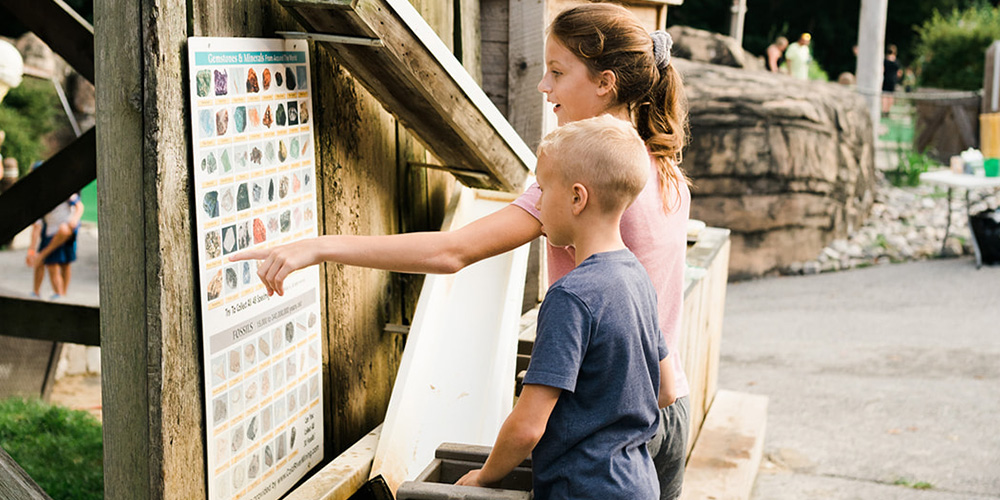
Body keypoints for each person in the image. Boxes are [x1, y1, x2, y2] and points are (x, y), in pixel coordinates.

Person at [233, 4, 693, 497]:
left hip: (605, 431)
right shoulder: (661, 169)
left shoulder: (579, 183)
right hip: (666, 410)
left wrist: (320, 246)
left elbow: (451, 251)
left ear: (604, 83)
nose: (544, 87)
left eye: (557, 72)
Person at [454, 115, 677, 497]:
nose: (537, 202)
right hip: (638, 484)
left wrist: (484, 477)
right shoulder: (637, 278)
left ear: (577, 197)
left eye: (542, 189)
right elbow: (667, 390)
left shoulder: (571, 296)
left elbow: (527, 426)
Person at [26, 162, 84, 300]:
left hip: (64, 229)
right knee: (51, 264)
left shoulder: (62, 189)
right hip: (51, 231)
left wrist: (74, 220)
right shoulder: (39, 197)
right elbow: (37, 226)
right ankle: (52, 293)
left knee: (64, 263)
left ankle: (61, 294)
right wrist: (31, 250)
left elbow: (78, 206)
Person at [882, 44, 901, 116]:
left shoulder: (885, 60)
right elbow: (899, 73)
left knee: (885, 95)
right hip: (893, 80)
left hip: (886, 79)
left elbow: (882, 70)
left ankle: (884, 110)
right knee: (890, 96)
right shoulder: (896, 61)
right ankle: (888, 110)